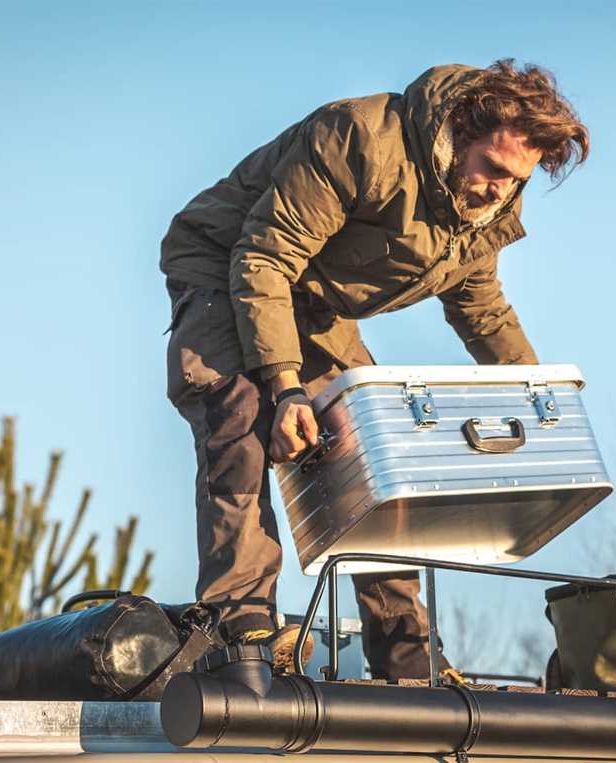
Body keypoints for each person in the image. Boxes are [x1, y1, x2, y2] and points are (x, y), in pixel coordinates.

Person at [160, 59, 589, 680]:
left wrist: (542, 401)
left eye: (516, 180)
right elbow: (264, 257)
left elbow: (482, 311)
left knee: (372, 440)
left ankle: (405, 649)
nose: (501, 190)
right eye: (494, 169)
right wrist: (284, 389)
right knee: (242, 417)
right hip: (228, 263)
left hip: (312, 296)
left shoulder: (482, 209)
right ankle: (240, 625)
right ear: (461, 132)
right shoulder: (361, 138)